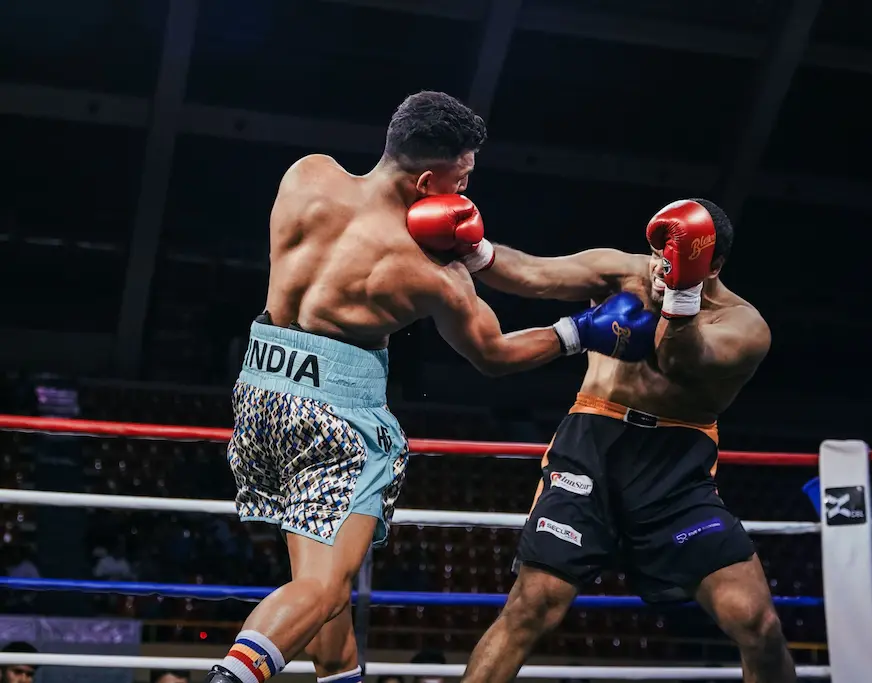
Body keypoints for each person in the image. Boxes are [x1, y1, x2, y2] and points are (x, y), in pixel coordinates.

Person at [204, 91, 656, 683]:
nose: (466, 192)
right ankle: (230, 676)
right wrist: (581, 331)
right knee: (324, 588)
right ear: (425, 183)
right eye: (461, 180)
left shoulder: (306, 176)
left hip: (259, 399)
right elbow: (494, 355)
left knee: (326, 611)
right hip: (333, 420)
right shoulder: (429, 272)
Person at [460, 199, 797, 682]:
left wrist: (681, 294)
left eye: (676, 260)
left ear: (714, 266)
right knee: (533, 604)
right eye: (659, 253)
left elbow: (679, 360)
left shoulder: (743, 326)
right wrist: (474, 249)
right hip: (590, 447)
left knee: (756, 622)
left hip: (674, 468)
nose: (661, 267)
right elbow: (532, 274)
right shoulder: (622, 272)